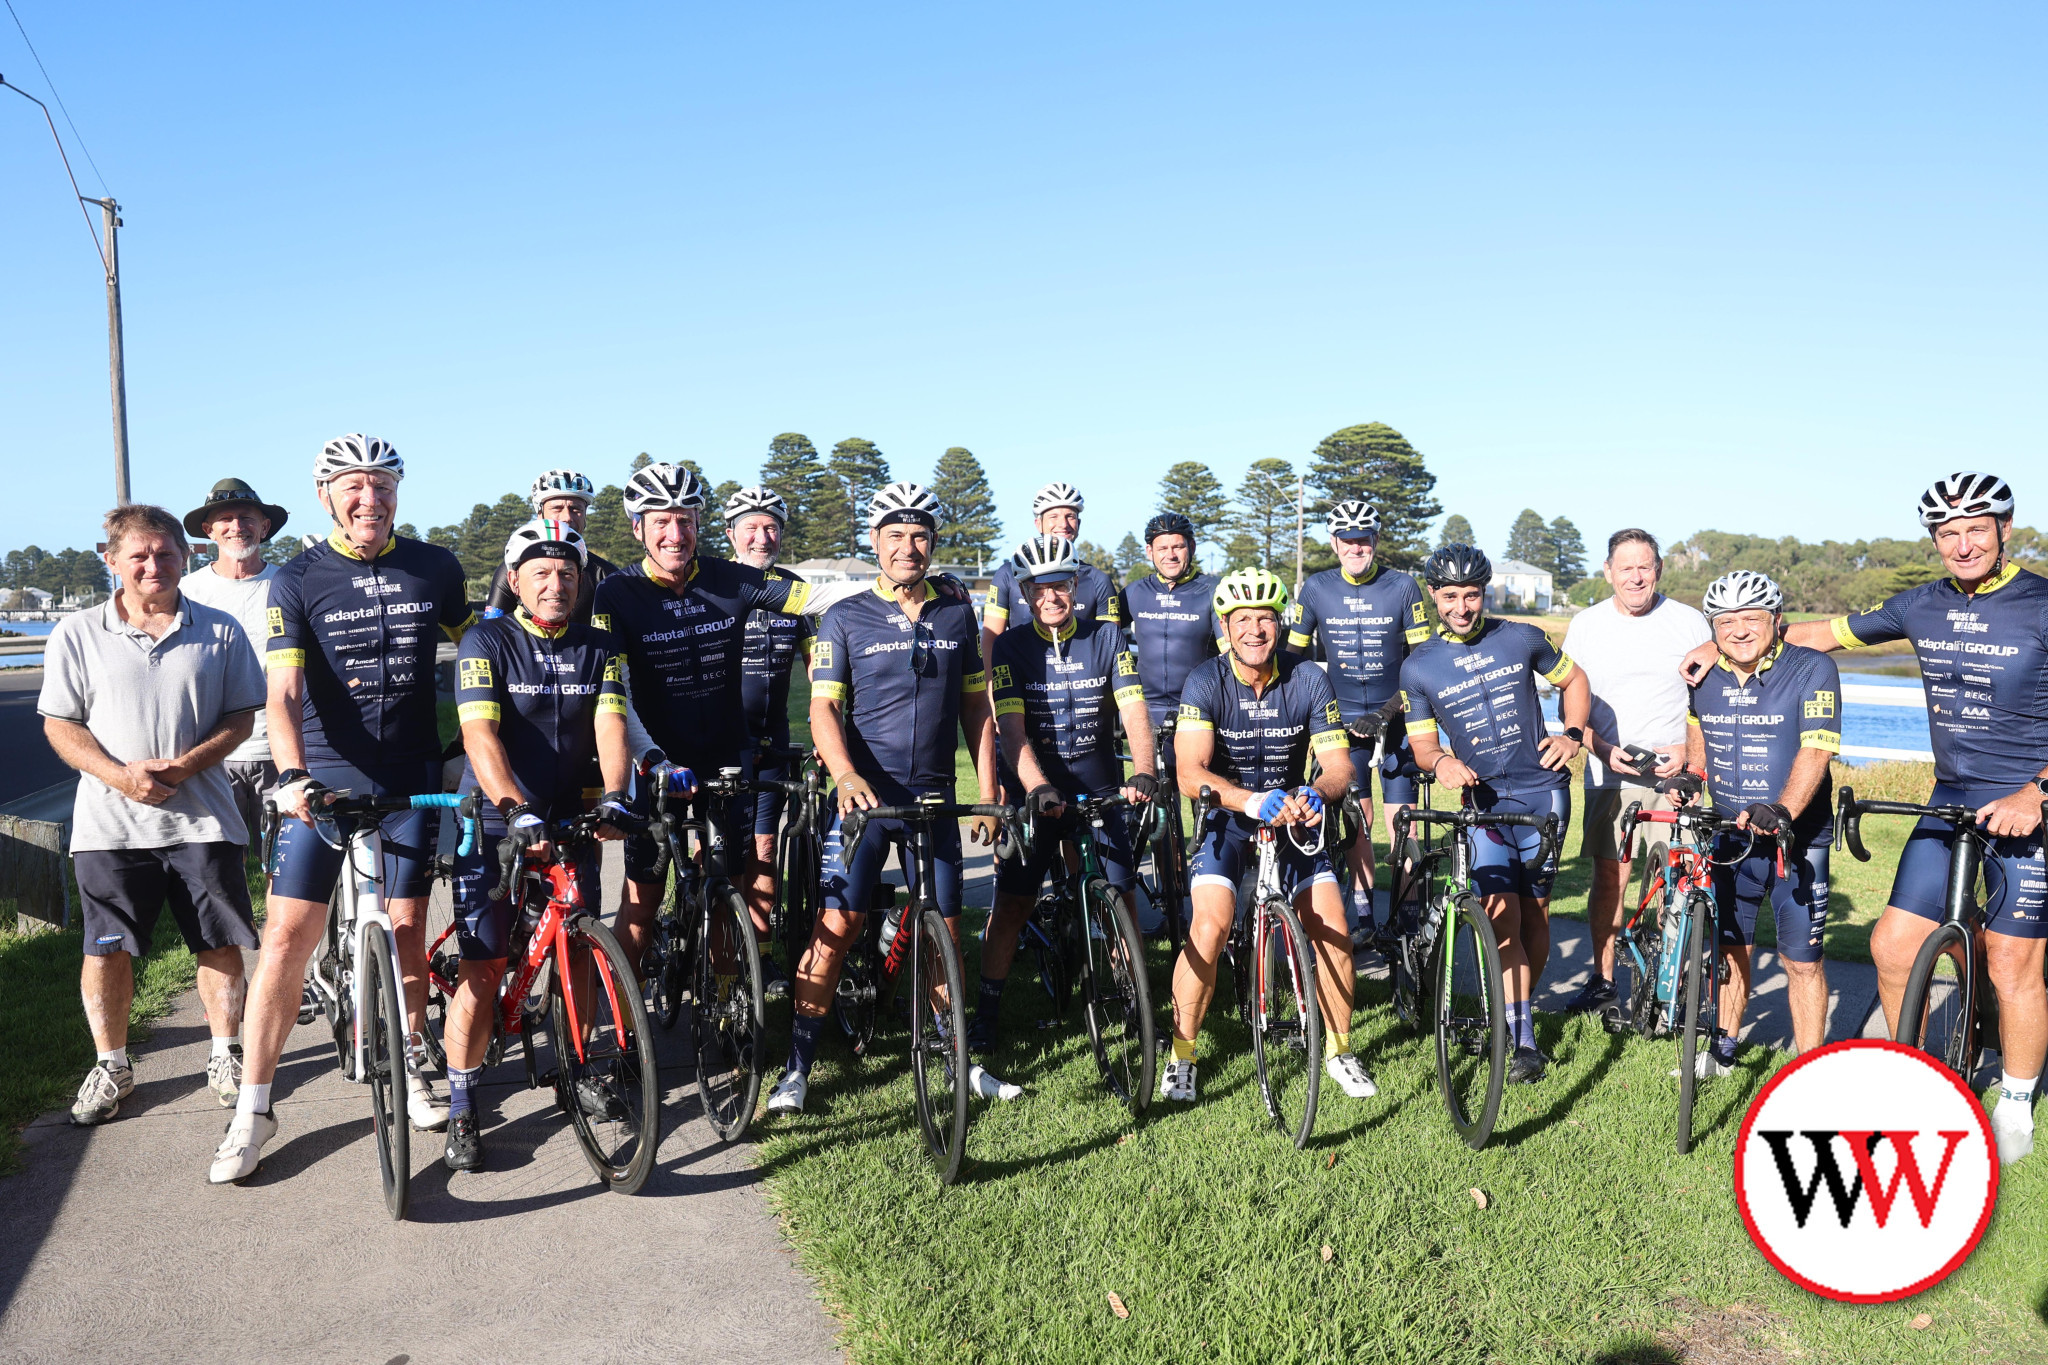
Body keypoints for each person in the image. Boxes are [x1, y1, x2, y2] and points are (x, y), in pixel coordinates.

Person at [1681, 471, 2046, 1163]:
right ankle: (1908, 1074)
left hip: (2030, 801)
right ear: (1935, 541)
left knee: (2012, 961)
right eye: (1947, 533)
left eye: (1975, 529)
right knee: (1891, 946)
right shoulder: (1922, 604)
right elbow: (1824, 631)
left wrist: (2037, 793)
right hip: (1949, 798)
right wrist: (1725, 642)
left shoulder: (2040, 602)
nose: (1962, 544)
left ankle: (2018, 1099)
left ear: (2004, 528)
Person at [211, 434, 474, 1184]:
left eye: (384, 485)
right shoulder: (295, 581)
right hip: (322, 780)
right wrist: (293, 774)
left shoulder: (436, 567)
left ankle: (413, 1058)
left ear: (399, 494)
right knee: (289, 934)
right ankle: (253, 1108)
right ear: (326, 494)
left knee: (408, 926)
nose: (371, 499)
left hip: (412, 778)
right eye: (353, 486)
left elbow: (484, 645)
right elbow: (283, 693)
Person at [766, 482, 1017, 1114]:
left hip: (933, 797)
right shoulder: (844, 617)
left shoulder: (958, 615)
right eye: (896, 536)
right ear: (875, 543)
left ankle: (958, 1058)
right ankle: (797, 1066)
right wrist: (845, 774)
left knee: (945, 929)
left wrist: (987, 790)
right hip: (863, 800)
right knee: (838, 925)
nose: (909, 548)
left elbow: (973, 708)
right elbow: (823, 707)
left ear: (933, 544)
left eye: (920, 536)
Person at [592, 463, 870, 978]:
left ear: (699, 525)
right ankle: (628, 1037)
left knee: (730, 886)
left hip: (727, 753)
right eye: (661, 523)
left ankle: (726, 1000)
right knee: (642, 900)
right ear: (638, 528)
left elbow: (816, 599)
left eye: (686, 521)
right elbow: (616, 693)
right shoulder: (615, 594)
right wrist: (650, 757)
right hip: (657, 761)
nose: (676, 535)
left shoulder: (730, 578)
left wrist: (898, 582)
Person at [40, 504, 265, 1124]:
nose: (152, 566)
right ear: (111, 561)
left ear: (184, 557)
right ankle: (111, 1066)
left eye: (165, 553)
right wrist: (121, 777)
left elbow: (241, 717)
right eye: (137, 555)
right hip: (109, 826)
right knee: (105, 949)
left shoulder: (220, 631)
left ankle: (225, 1051)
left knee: (217, 942)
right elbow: (60, 724)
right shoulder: (77, 634)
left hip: (204, 821)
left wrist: (187, 765)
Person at [440, 519, 634, 1172]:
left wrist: (614, 793)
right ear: (517, 579)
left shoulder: (598, 647)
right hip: (496, 821)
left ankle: (580, 1068)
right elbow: (480, 736)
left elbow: (611, 723)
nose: (556, 585)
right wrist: (513, 808)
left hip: (566, 817)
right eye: (542, 574)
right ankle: (463, 1101)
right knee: (485, 969)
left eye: (568, 576)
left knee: (579, 939)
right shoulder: (485, 639)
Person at [1164, 567, 1375, 1104]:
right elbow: (1191, 772)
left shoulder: (1308, 678)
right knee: (1209, 928)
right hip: (1229, 819)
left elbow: (1337, 766)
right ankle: (1182, 1055)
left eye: (1265, 619)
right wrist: (1250, 801)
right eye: (1242, 620)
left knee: (1332, 928)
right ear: (1225, 627)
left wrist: (1317, 794)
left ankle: (1340, 1050)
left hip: (1295, 816)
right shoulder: (1205, 680)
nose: (1255, 630)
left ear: (1279, 624)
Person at [1401, 544, 1591, 1084]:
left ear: (1484, 594)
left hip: (1542, 795)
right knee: (1501, 912)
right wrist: (1439, 762)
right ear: (1433, 597)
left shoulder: (1523, 637)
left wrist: (1572, 735)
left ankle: (1518, 1007)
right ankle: (1521, 1035)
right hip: (1483, 805)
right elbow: (1422, 748)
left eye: (1471, 595)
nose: (1462, 607)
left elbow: (1575, 682)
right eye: (1450, 597)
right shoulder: (1418, 668)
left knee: (1537, 914)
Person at [974, 534, 1157, 1052]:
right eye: (1039, 588)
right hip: (1035, 787)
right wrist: (1037, 787)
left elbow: (1133, 709)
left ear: (1076, 586)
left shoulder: (1107, 637)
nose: (1051, 597)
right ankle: (987, 1011)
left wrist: (1143, 769)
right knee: (1012, 904)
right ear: (1025, 592)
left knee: (1119, 894)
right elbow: (1011, 729)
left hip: (1098, 781)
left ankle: (1136, 1005)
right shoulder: (1010, 646)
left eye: (1060, 586)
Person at [1668, 570, 1838, 1073]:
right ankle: (1722, 1046)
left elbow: (1816, 750)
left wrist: (1783, 808)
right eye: (1726, 621)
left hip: (1797, 838)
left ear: (1776, 620)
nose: (1739, 630)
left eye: (1752, 618)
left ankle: (1808, 1068)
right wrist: (1691, 778)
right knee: (1730, 945)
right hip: (1729, 835)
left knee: (1801, 961)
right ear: (1712, 627)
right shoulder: (1703, 677)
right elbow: (1699, 742)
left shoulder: (1812, 669)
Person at [1556, 530, 1712, 1017]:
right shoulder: (1586, 624)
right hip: (1610, 771)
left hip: (1676, 772)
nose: (1636, 576)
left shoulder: (1689, 623)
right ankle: (1603, 981)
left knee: (1676, 878)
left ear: (1659, 569)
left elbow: (1713, 698)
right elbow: (1571, 700)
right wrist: (1600, 748)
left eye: (1645, 566)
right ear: (1608, 572)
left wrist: (1686, 752)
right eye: (1626, 568)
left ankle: (1669, 987)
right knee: (1609, 879)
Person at [1284, 500, 1430, 936]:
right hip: (1342, 722)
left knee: (1403, 823)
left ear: (1375, 541)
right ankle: (1365, 913)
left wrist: (1387, 712)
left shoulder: (1403, 586)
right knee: (1356, 823)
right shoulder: (1315, 588)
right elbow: (1295, 657)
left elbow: (1423, 662)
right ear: (1334, 543)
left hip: (1397, 718)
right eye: (1347, 540)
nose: (1356, 547)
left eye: (1363, 539)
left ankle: (1404, 917)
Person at [723, 485, 813, 998]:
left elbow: (819, 663)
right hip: (721, 740)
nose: (763, 536)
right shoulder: (720, 583)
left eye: (772, 526)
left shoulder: (794, 589)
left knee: (763, 847)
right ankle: (719, 954)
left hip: (771, 737)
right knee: (719, 852)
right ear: (732, 534)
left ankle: (760, 958)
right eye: (751, 527)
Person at [1115, 512, 1221, 932]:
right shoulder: (1132, 594)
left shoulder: (1210, 590)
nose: (1171, 554)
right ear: (1149, 553)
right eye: (1163, 548)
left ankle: (1205, 900)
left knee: (1204, 808)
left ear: (1190, 548)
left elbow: (1227, 652)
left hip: (1196, 714)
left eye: (1179, 546)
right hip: (1145, 716)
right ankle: (1170, 901)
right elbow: (1106, 647)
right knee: (1159, 811)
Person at [178, 478, 292, 860]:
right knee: (217, 871)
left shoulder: (292, 585)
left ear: (265, 526)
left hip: (283, 751)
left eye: (246, 517)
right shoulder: (186, 593)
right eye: (224, 519)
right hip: (212, 754)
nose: (236, 526)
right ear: (209, 531)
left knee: (285, 868)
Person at [980, 482, 1121, 666]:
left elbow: (1111, 648)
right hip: (1021, 686)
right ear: (1038, 523)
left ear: (1078, 523)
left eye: (1070, 516)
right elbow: (990, 640)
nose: (1063, 524)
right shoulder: (1007, 574)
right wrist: (992, 692)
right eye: (1053, 516)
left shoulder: (1098, 580)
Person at [480, 469, 621, 623]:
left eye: (576, 509)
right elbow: (490, 631)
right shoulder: (513, 569)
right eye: (557, 508)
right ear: (539, 514)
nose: (567, 517)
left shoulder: (605, 574)